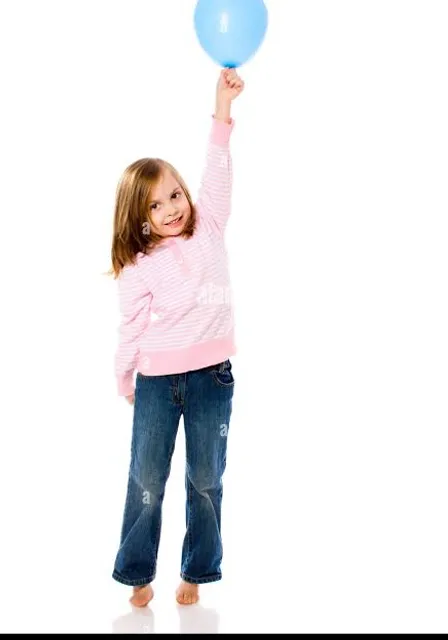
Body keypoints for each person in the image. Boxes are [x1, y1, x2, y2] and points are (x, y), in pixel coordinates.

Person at [108, 67, 244, 607]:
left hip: (213, 377)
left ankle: (197, 572)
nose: (170, 209)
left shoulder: (208, 222)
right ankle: (137, 572)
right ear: (139, 221)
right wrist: (123, 375)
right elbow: (131, 326)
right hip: (158, 382)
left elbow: (216, 170)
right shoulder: (139, 266)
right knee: (146, 481)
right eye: (155, 207)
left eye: (173, 195)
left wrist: (222, 109)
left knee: (206, 482)